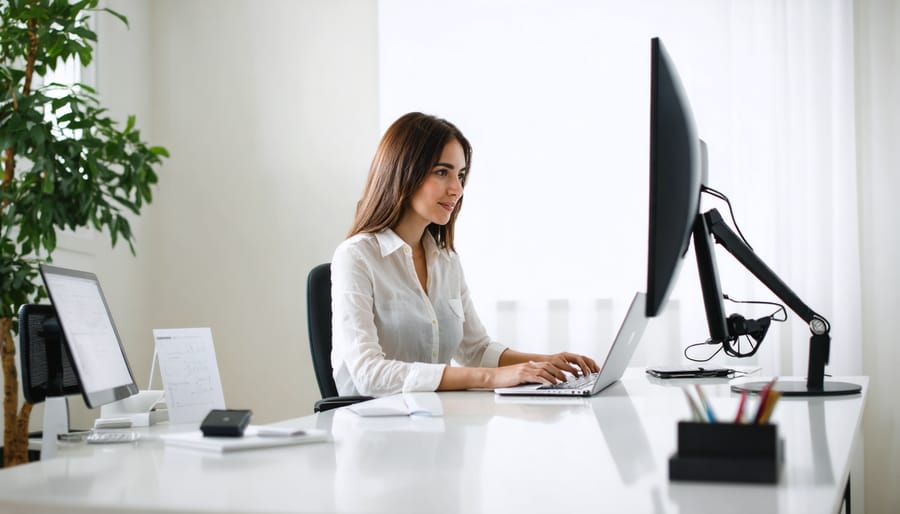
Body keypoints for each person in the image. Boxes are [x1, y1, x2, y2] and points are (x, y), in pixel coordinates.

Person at [331, 112, 599, 397]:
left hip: (433, 421)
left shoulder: (445, 260)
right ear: (404, 172)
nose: (457, 189)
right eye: (442, 172)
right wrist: (493, 377)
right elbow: (368, 374)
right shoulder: (356, 257)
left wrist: (544, 363)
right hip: (374, 428)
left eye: (460, 175)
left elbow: (476, 349)